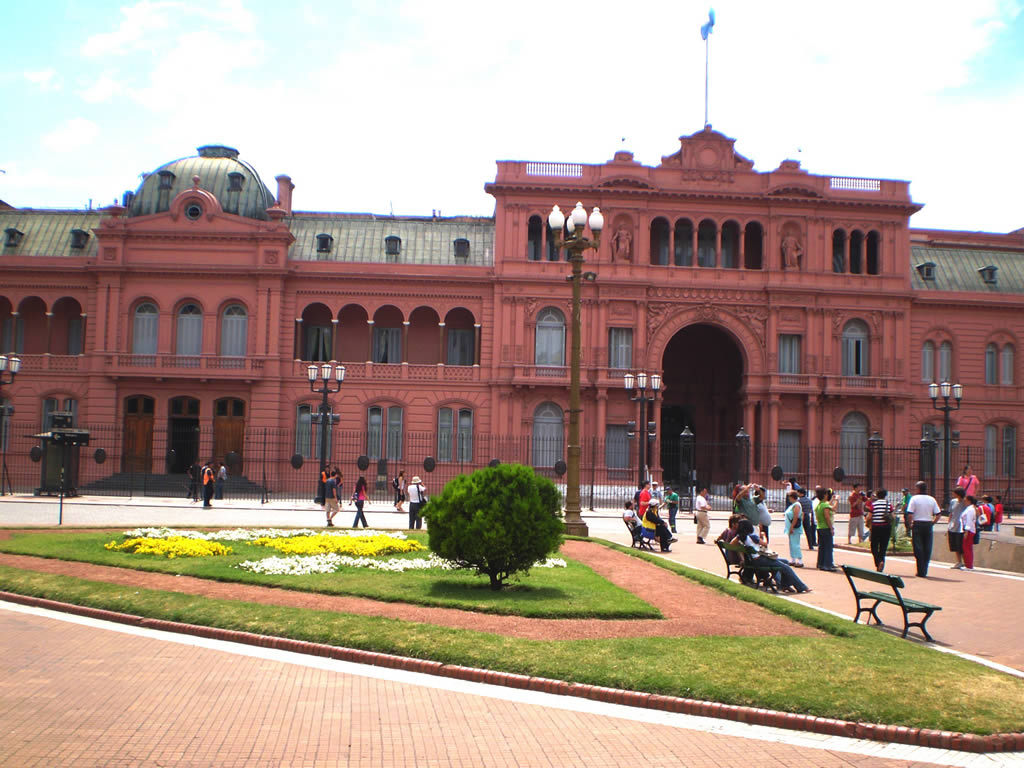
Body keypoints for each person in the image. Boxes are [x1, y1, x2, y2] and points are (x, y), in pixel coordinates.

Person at [735, 518, 811, 593]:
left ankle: (785, 585)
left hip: (755, 560)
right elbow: (765, 544)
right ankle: (801, 587)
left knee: (785, 561)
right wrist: (764, 536)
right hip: (760, 560)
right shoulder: (753, 537)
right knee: (786, 568)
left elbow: (731, 543)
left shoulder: (741, 537)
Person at [906, 480, 942, 577]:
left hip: (917, 524)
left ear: (918, 489)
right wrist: (933, 523)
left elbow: (910, 514)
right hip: (928, 524)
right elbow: (938, 514)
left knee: (918, 548)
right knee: (927, 547)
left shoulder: (914, 499)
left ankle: (920, 569)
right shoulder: (932, 499)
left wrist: (910, 524)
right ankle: (925, 569)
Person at [868, 489, 894, 572]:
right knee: (883, 547)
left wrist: (868, 524)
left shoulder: (874, 504)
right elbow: (893, 517)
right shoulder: (889, 504)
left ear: (877, 495)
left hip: (876, 527)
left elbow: (869, 517)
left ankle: (878, 562)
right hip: (886, 528)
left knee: (874, 547)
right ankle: (881, 562)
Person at [814, 486, 837, 571]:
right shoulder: (825, 506)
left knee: (822, 547)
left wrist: (832, 500)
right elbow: (828, 516)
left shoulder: (819, 505)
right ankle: (828, 564)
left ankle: (821, 563)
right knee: (828, 547)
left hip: (820, 527)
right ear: (825, 495)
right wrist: (831, 528)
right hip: (826, 527)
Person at [946, 486, 966, 570]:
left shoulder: (965, 502)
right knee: (954, 545)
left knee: (961, 545)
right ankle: (959, 561)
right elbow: (951, 513)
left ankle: (965, 562)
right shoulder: (953, 501)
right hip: (953, 525)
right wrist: (948, 524)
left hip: (962, 526)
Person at [782, 490, 803, 567]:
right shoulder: (793, 505)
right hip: (791, 527)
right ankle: (793, 559)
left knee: (795, 544)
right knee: (792, 543)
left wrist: (792, 527)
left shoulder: (796, 505)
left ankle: (800, 560)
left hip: (794, 528)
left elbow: (796, 517)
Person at [961, 495, 979, 571]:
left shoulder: (970, 509)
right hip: (969, 530)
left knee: (966, 548)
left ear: (969, 501)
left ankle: (968, 565)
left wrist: (966, 531)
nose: (964, 501)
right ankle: (969, 564)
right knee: (968, 548)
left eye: (965, 500)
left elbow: (969, 521)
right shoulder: (970, 509)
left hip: (969, 530)